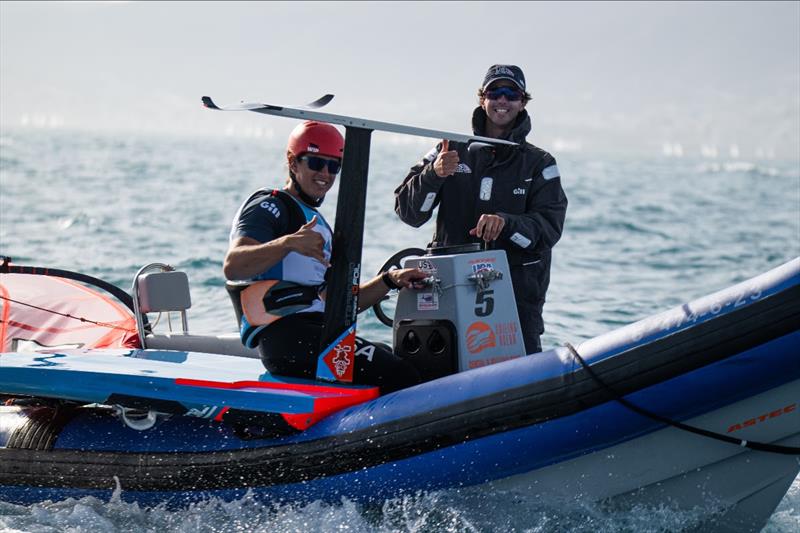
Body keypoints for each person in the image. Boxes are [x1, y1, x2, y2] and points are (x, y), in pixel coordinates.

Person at [224, 121, 426, 393]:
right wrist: (287, 243)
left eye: (334, 166)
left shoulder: (316, 222)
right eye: (316, 163)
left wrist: (390, 280)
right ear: (292, 162)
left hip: (317, 332)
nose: (325, 174)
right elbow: (234, 265)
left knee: (391, 354)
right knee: (400, 375)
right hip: (288, 339)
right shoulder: (269, 205)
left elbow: (338, 303)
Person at [395, 64, 568, 354]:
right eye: (494, 92)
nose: (502, 100)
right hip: (448, 291)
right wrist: (433, 175)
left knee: (518, 374)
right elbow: (408, 213)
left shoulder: (540, 163)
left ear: (522, 101)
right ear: (482, 98)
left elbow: (549, 229)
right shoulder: (448, 150)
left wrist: (507, 223)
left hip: (514, 298)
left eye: (511, 93)